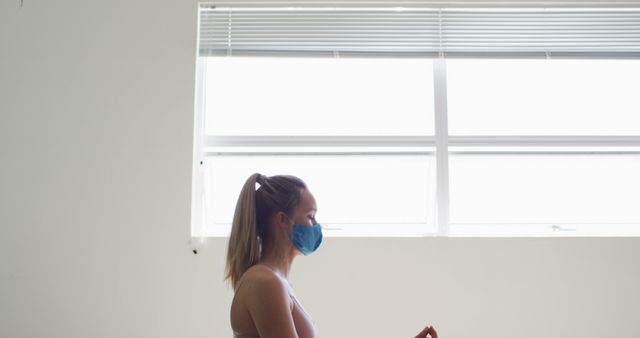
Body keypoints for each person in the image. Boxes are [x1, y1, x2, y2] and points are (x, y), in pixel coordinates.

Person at [225, 173, 438, 338]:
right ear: (283, 220)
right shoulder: (265, 282)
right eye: (310, 217)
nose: (316, 226)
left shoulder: (277, 282)